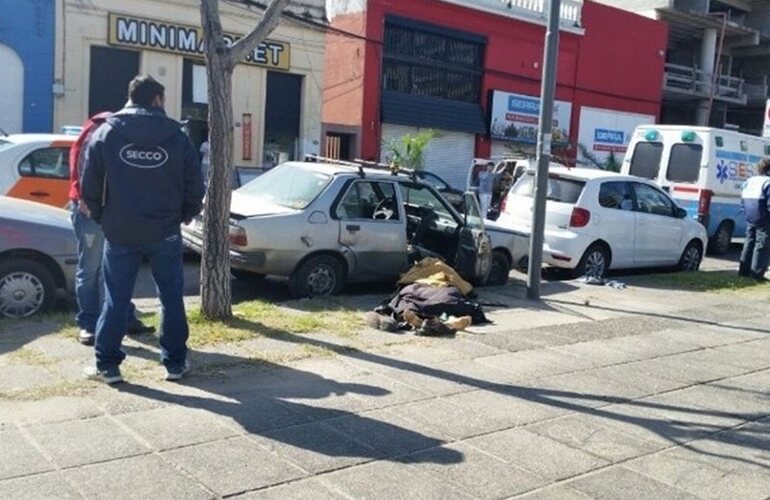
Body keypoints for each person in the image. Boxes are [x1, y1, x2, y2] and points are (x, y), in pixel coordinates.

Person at [81, 75, 205, 384]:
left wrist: (102, 217)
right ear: (157, 99)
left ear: (130, 97)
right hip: (165, 230)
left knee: (116, 298)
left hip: (120, 230)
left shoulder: (106, 132)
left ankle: (107, 365)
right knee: (171, 297)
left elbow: (89, 184)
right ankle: (175, 363)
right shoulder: (177, 136)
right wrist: (186, 214)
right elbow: (195, 184)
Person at [68, 111, 154, 346]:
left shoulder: (114, 132)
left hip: (115, 213)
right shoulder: (99, 132)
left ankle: (123, 317)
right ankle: (89, 323)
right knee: (91, 269)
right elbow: (84, 173)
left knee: (117, 269)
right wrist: (88, 203)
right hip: (93, 213)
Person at [738, 158, 770, 281]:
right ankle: (757, 273)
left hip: (750, 215)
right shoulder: (768, 182)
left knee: (749, 243)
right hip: (764, 216)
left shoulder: (749, 181)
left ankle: (744, 271)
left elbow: (742, 199)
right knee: (762, 245)